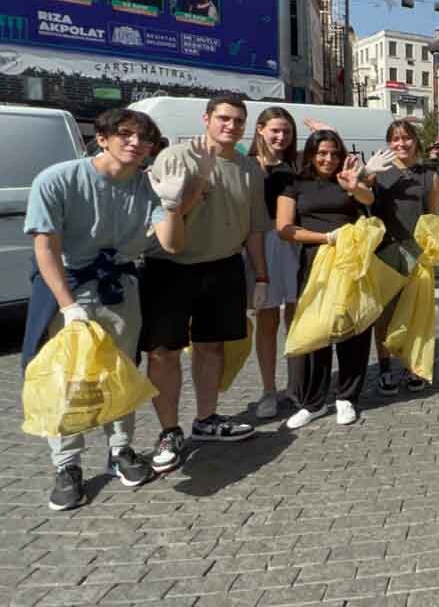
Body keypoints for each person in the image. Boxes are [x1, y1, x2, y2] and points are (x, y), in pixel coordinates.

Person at [21, 109, 194, 510]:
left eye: (145, 139)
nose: (136, 143)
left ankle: (121, 450)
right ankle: (67, 466)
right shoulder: (59, 179)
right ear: (102, 138)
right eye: (126, 134)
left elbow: (172, 245)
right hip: (70, 287)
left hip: (121, 289)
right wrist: (67, 306)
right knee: (71, 380)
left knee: (121, 373)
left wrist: (173, 204)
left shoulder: (147, 186)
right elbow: (45, 248)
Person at [141, 94, 270, 474]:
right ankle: (168, 431)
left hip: (223, 266)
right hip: (170, 267)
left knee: (211, 347)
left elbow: (255, 231)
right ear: (207, 119)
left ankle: (206, 418)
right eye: (224, 119)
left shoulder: (249, 169)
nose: (231, 126)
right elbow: (162, 218)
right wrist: (197, 184)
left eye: (238, 121)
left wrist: (261, 276)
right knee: (164, 352)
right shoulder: (176, 157)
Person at [277, 130, 374, 428]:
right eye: (322, 153)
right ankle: (313, 402)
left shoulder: (347, 179)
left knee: (353, 328)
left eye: (333, 153)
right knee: (315, 329)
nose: (328, 159)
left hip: (350, 262)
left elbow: (370, 201)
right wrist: (326, 238)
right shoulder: (295, 183)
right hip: (314, 263)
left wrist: (353, 186)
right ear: (311, 154)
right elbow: (285, 228)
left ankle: (346, 397)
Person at [367, 119, 439, 392]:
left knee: (415, 312)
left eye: (406, 138)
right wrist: (367, 173)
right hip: (384, 252)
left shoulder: (429, 176)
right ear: (389, 143)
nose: (401, 144)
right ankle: (385, 367)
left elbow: (433, 217)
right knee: (384, 314)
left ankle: (413, 365)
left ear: (415, 141)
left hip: (416, 253)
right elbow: (359, 199)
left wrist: (431, 251)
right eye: (395, 139)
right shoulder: (379, 173)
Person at [245, 107, 301, 420]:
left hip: (292, 243)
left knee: (296, 317)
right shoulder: (247, 165)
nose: (281, 137)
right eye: (275, 130)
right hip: (259, 245)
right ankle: (269, 389)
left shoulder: (295, 165)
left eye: (287, 132)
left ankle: (295, 385)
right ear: (261, 129)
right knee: (267, 321)